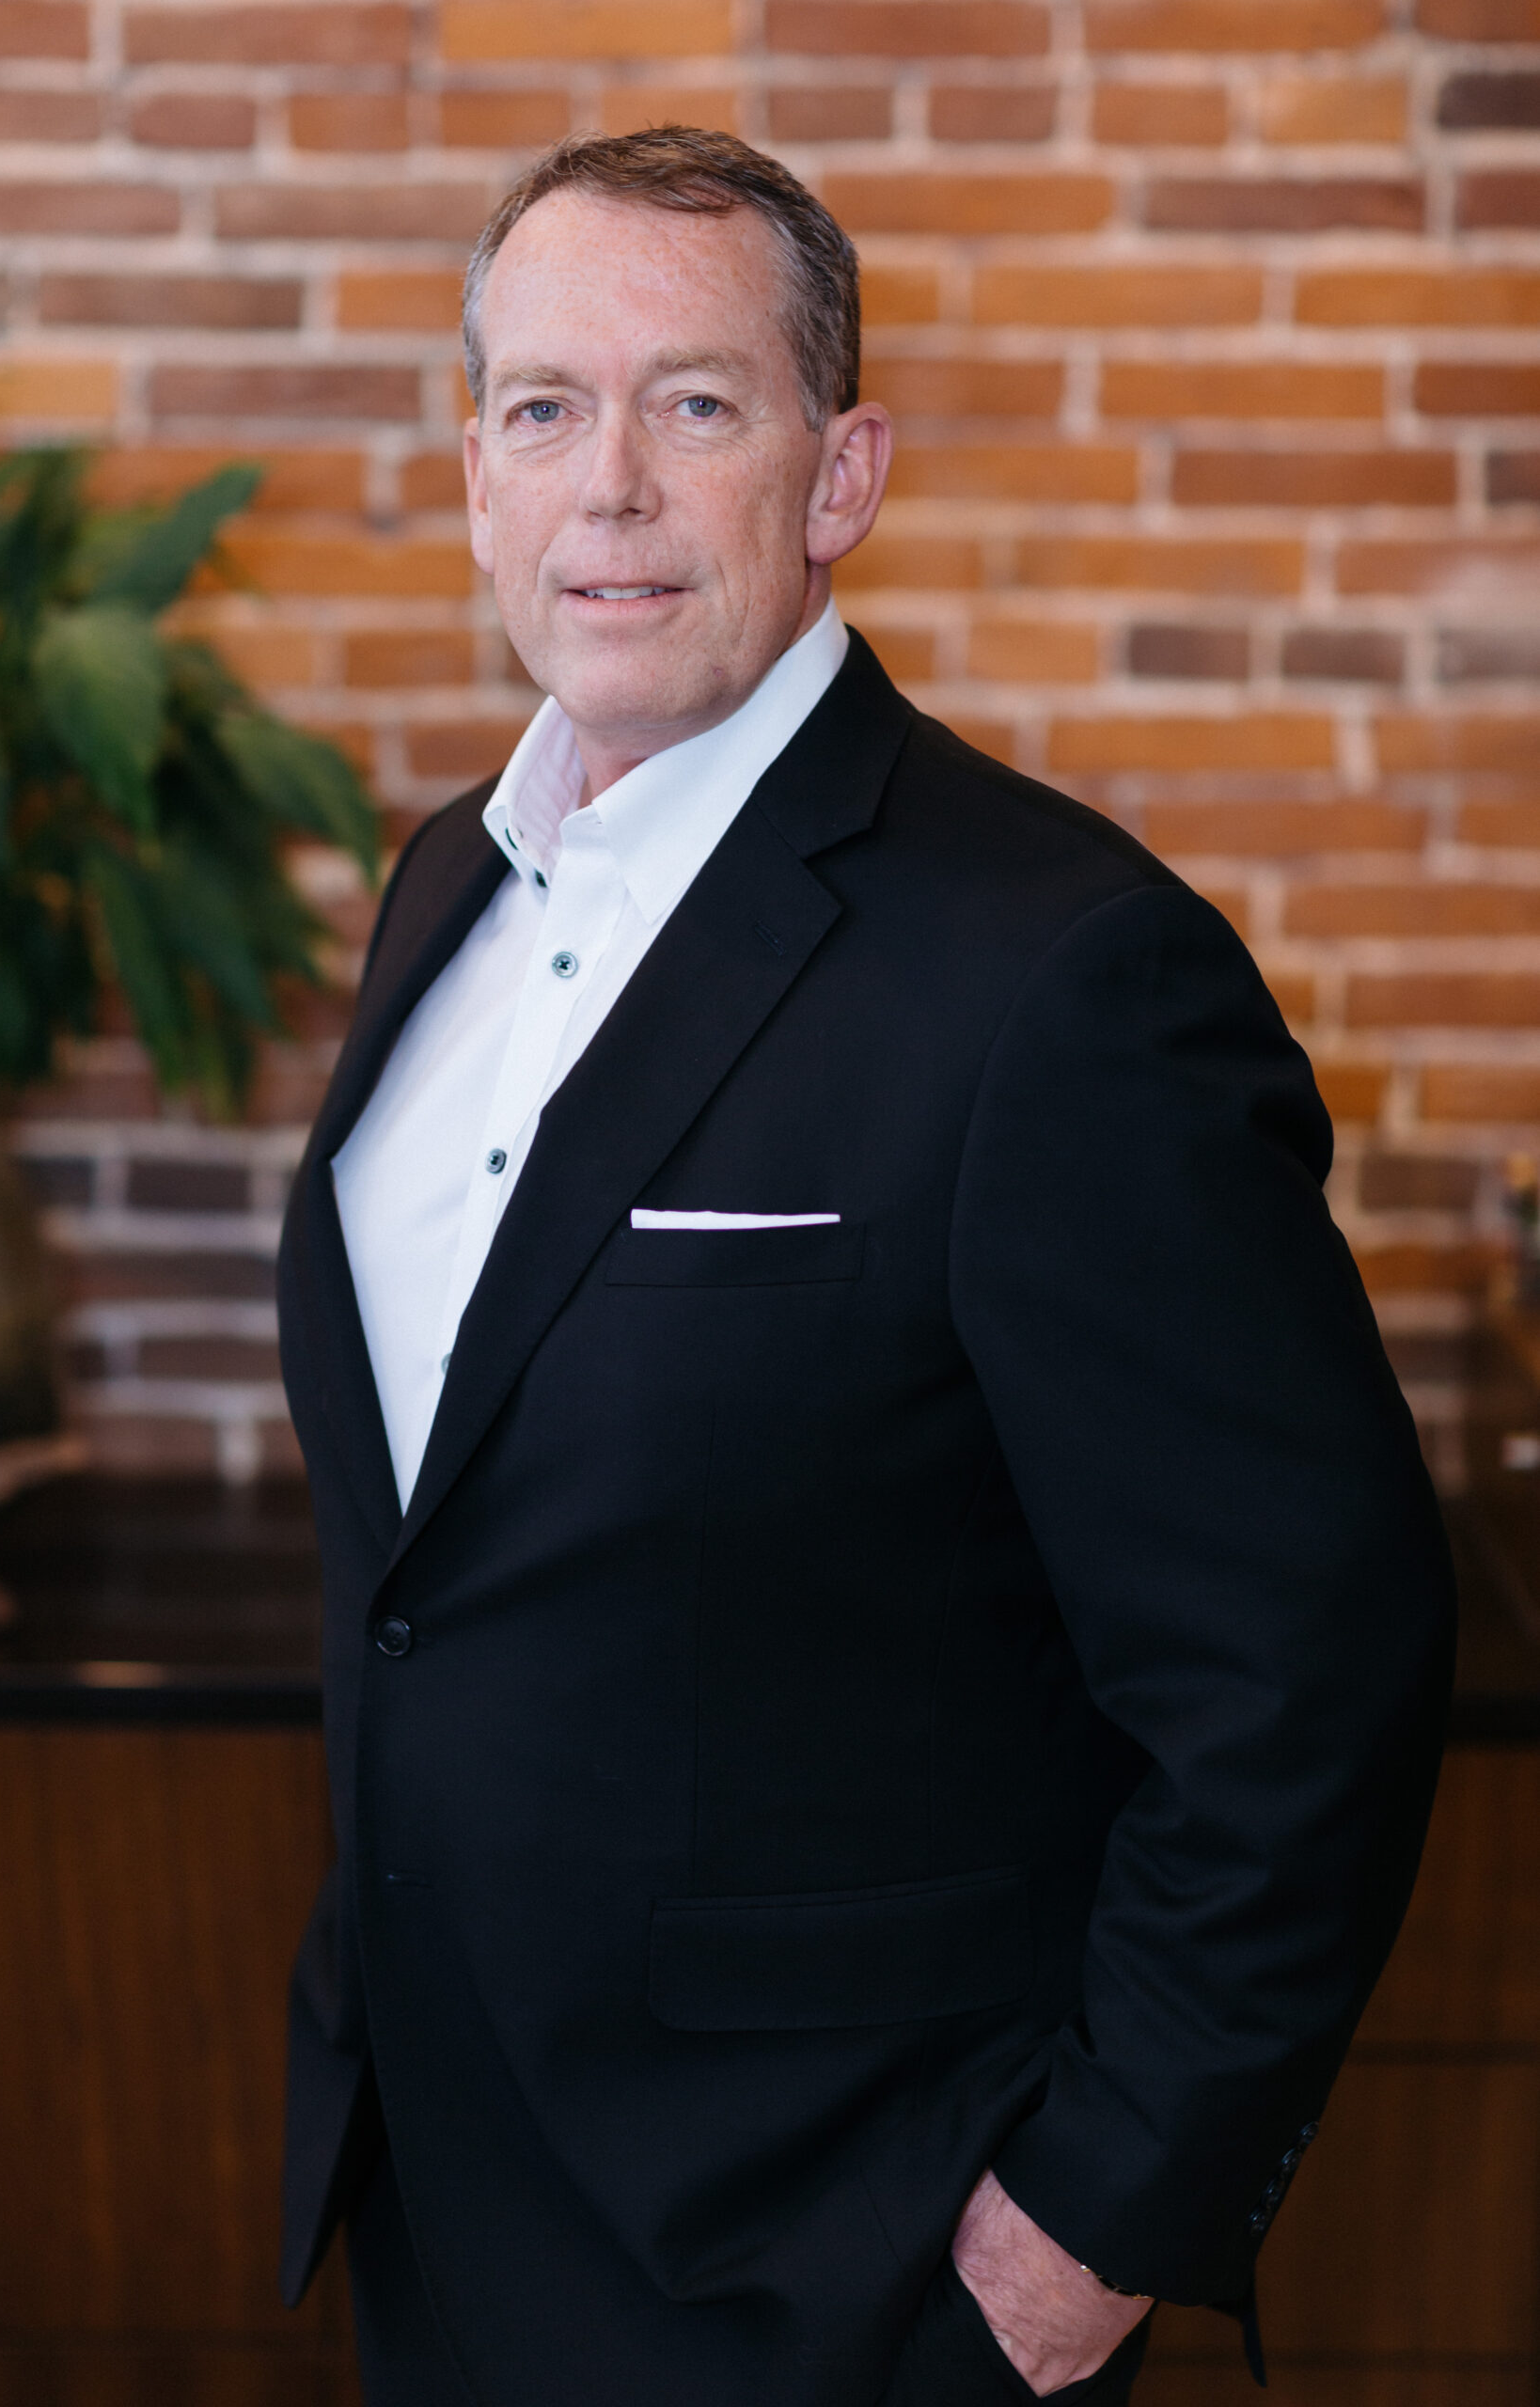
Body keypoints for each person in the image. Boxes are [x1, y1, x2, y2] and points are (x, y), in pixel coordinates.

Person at [275, 128, 1455, 2407]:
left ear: (840, 474)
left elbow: (1308, 1665)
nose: (605, 483)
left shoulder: (1062, 976)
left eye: (694, 405)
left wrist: (1093, 2217)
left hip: (842, 2273)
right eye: (541, 407)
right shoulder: (444, 883)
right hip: (446, 2199)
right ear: (474, 473)